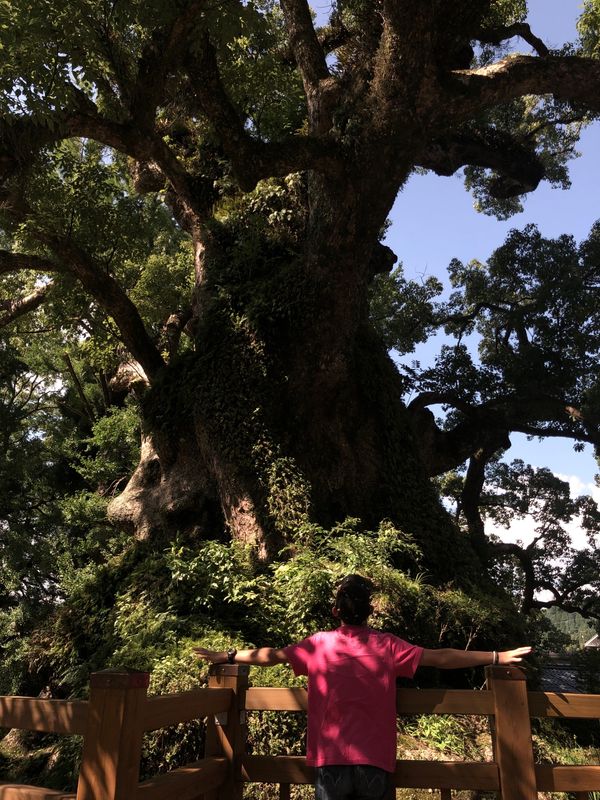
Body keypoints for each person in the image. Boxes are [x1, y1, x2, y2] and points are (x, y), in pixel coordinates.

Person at [194, 573, 532, 800]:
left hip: (330, 761)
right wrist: (496, 656)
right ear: (371, 611)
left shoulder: (318, 645)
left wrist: (227, 654)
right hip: (375, 762)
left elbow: (271, 655)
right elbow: (440, 658)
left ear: (335, 611)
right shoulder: (387, 646)